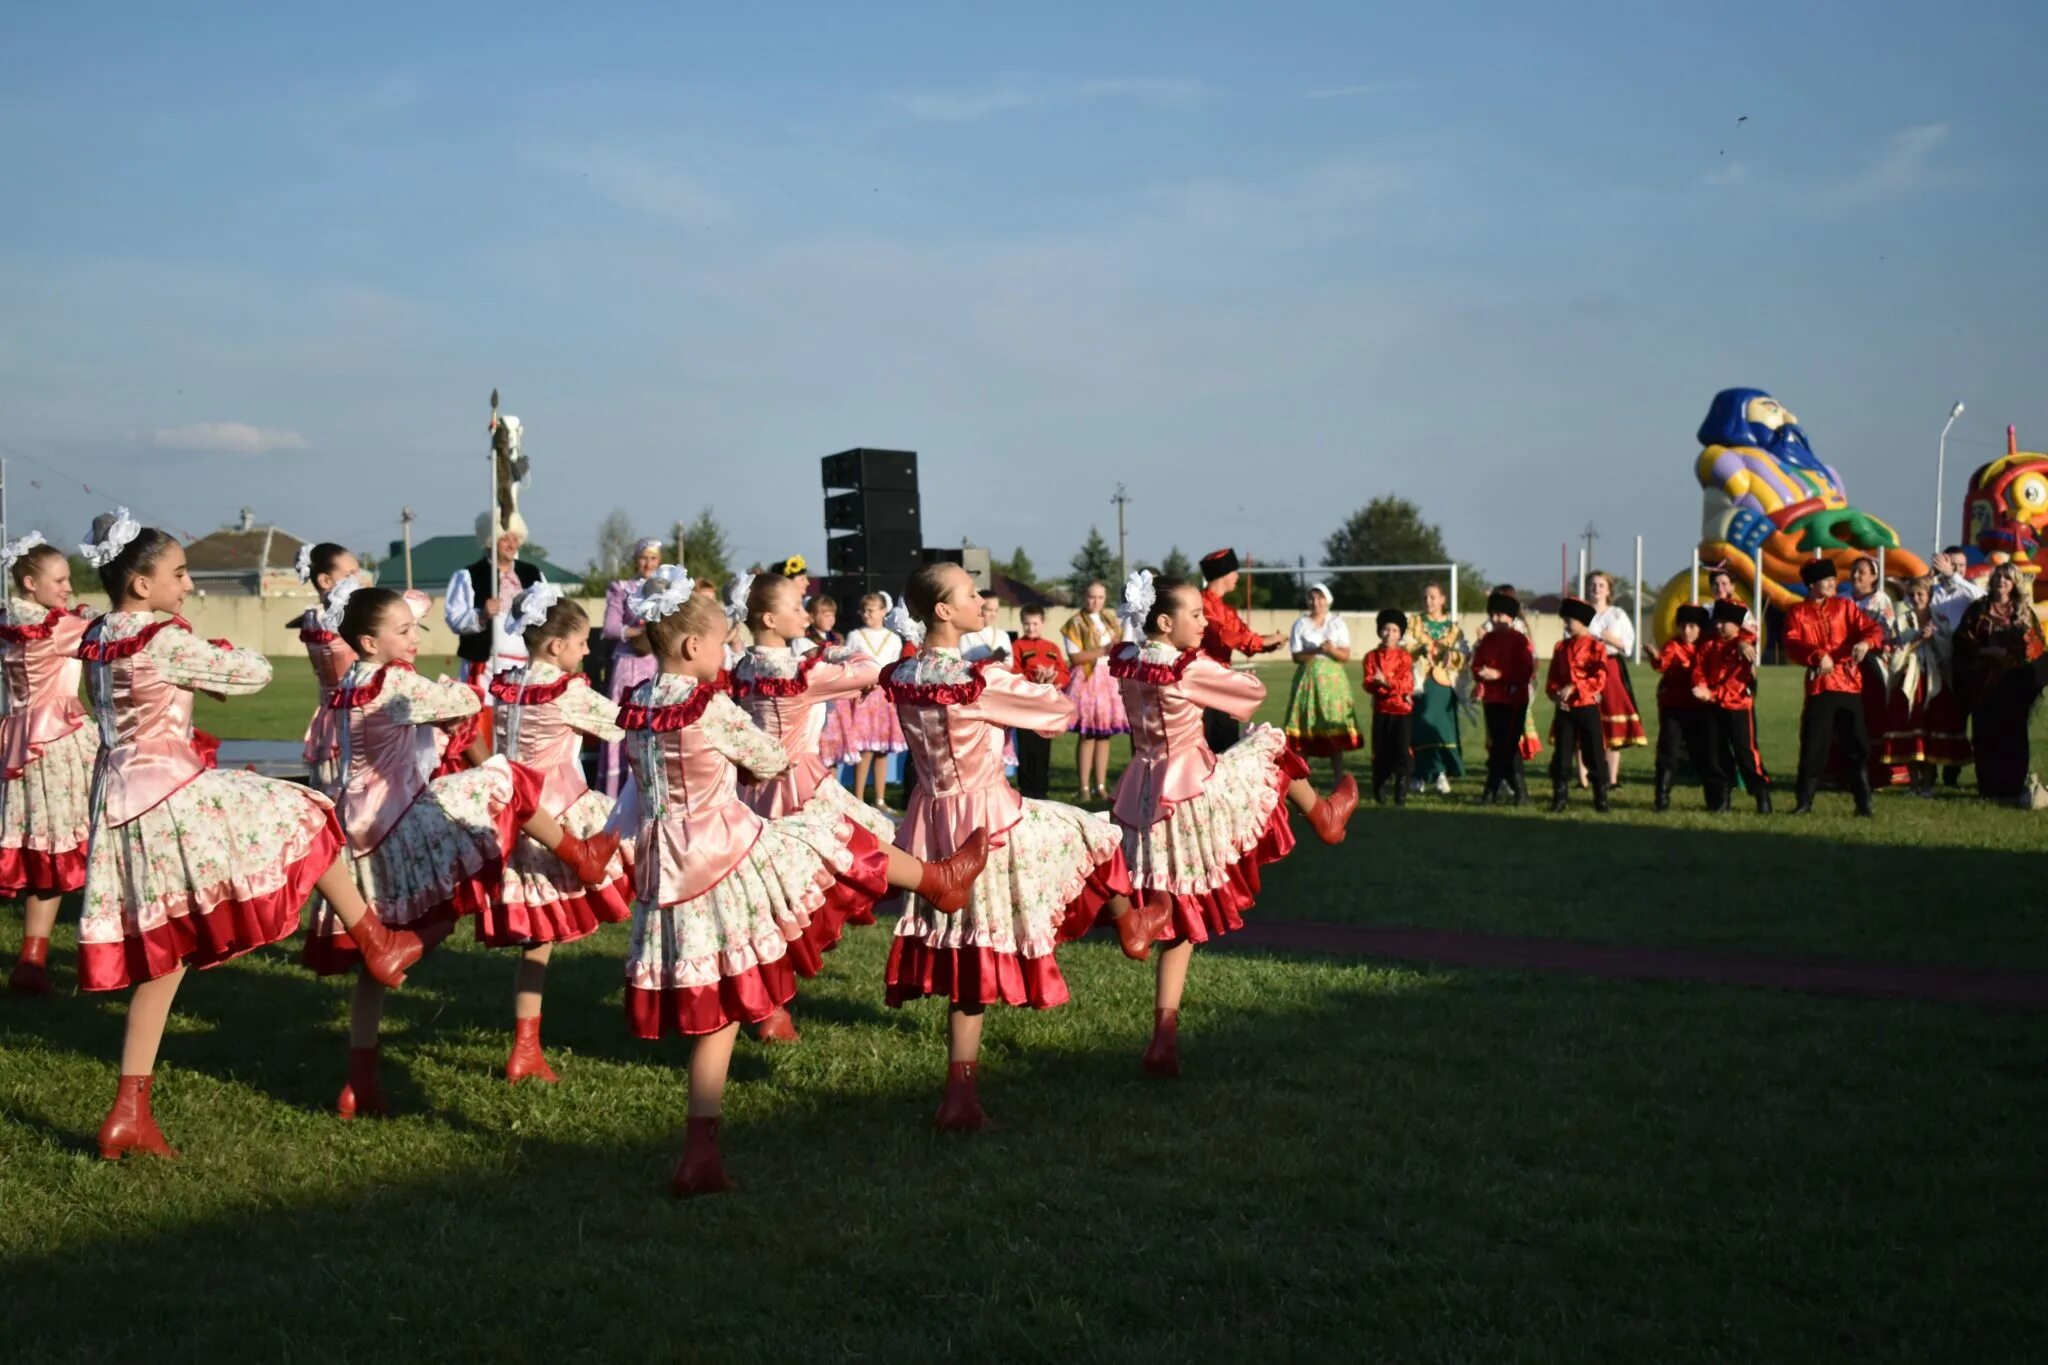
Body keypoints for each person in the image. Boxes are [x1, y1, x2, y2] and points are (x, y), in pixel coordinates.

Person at [613, 572, 990, 1194]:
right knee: (834, 835)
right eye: (717, 643)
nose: (724, 652)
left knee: (718, 1011)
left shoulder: (639, 705)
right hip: (724, 851)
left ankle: (699, 1150)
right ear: (690, 650)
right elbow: (767, 759)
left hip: (667, 868)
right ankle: (936, 879)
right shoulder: (707, 705)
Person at [72, 511, 425, 1160]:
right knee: (308, 814)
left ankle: (129, 1109)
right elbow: (252, 674)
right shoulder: (160, 637)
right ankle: (375, 939)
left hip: (121, 803)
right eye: (178, 574)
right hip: (170, 795)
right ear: (142, 584)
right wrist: (228, 655)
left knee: (166, 958)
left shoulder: (100, 632)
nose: (188, 585)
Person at [301, 583, 622, 1118]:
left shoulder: (346, 683)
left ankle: (359, 1082)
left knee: (370, 973)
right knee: (506, 783)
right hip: (398, 818)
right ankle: (578, 854)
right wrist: (453, 698)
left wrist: (411, 620)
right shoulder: (397, 684)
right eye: (402, 631)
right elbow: (466, 701)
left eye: (414, 628)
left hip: (351, 827)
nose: (414, 638)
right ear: (367, 640)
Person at [881, 563, 1166, 1132]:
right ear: (942, 610)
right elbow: (1057, 715)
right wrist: (1033, 687)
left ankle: (959, 1094)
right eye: (969, 595)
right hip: (988, 819)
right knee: (1096, 833)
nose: (981, 603)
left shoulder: (903, 673)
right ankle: (1130, 923)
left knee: (968, 951)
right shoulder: (976, 680)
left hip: (931, 819)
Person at [1109, 572, 1358, 1078]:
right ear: (1164, 621)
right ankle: (1324, 815)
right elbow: (1251, 691)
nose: (1204, 623)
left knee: (1177, 920)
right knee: (1271, 743)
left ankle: (1163, 1039)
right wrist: (1213, 659)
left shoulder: (1129, 661)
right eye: (1196, 616)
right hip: (1191, 786)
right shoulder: (1187, 665)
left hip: (1142, 793)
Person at [729, 570, 898, 1043]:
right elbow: (867, 668)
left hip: (751, 789)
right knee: (860, 852)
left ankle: (770, 1008)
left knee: (768, 902)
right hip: (797, 782)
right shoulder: (798, 672)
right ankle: (770, 1006)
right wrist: (836, 651)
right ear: (768, 617)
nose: (807, 615)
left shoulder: (747, 665)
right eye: (797, 608)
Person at [484, 585, 636, 1082]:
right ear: (555, 647)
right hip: (565, 814)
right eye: (581, 642)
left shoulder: (509, 683)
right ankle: (658, 991)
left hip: (519, 823)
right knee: (648, 863)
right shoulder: (565, 690)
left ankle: (525, 1045)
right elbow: (621, 725)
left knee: (537, 937)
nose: (588, 649)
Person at [0, 534, 96, 995]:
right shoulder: (54, 629)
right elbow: (109, 632)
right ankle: (104, 951)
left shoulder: (10, 623)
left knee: (48, 855)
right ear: (29, 582)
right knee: (71, 849)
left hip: (23, 745)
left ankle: (32, 961)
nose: (68, 588)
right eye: (59, 580)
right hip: (58, 744)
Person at [1783, 559, 1885, 816]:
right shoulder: (1798, 613)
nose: (1832, 584)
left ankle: (1864, 803)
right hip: (1820, 687)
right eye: (1826, 580)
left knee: (1857, 745)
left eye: (1832, 580)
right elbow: (1792, 644)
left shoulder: (1844, 607)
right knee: (1814, 746)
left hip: (1849, 685)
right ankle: (1804, 802)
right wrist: (1817, 655)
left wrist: (1866, 643)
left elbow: (1872, 628)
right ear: (1812, 585)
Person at [1952, 562, 2048, 803]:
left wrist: (2022, 654)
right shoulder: (1978, 609)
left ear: (2015, 583)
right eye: (1998, 577)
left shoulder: (2024, 611)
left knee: (2014, 733)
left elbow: (2037, 646)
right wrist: (1988, 651)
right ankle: (1989, 785)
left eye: (2007, 578)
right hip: (1984, 683)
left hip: (2015, 684)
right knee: (1985, 733)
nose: (2001, 582)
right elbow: (1962, 640)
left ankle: (2013, 784)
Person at [1881, 576, 1970, 795]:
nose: (1916, 598)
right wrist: (1916, 640)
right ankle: (1913, 783)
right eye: (1912, 594)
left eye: (1921, 594)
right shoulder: (1902, 620)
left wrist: (1934, 638)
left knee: (1931, 730)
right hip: (1908, 679)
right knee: (1909, 729)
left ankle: (1928, 783)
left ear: (1929, 596)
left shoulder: (1940, 619)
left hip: (1934, 681)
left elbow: (1949, 651)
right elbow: (1896, 651)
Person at [821, 592, 906, 812]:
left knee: (882, 750)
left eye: (872, 609)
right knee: (865, 749)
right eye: (864, 610)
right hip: (862, 695)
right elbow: (848, 664)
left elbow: (895, 666)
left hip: (884, 696)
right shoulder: (855, 635)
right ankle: (858, 798)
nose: (868, 614)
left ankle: (879, 798)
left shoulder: (893, 638)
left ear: (883, 611)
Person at [1197, 549, 1284, 754]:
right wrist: (1262, 641)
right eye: (1234, 572)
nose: (1237, 576)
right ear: (1223, 574)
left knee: (1227, 743)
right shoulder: (1202, 604)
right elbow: (1223, 634)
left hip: (1223, 682)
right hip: (1204, 681)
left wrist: (1269, 642)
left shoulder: (1226, 609)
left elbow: (1244, 635)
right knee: (1208, 744)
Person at [291, 542, 361, 796]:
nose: (357, 580)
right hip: (353, 713)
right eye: (349, 574)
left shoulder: (312, 617)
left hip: (328, 710)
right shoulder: (337, 620)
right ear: (325, 580)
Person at [1691, 599, 1774, 813]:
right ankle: (1721, 799)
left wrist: (1711, 694)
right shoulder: (1709, 645)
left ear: (1737, 624)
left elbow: (1737, 682)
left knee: (1746, 752)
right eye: (1717, 621)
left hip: (1738, 707)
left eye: (1724, 622)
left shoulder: (1742, 646)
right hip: (1711, 706)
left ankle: (1761, 794)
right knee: (1716, 753)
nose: (1719, 626)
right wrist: (1700, 685)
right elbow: (1698, 669)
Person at [600, 538, 666, 796]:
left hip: (656, 662)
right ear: (636, 560)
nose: (648, 563)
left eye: (653, 558)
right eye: (644, 558)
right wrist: (640, 630)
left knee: (653, 721)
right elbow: (610, 628)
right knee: (625, 721)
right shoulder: (623, 588)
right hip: (629, 663)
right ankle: (617, 791)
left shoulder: (666, 590)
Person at [445, 511, 542, 685]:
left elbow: (550, 611)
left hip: (525, 667)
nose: (512, 545)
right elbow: (454, 619)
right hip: (485, 666)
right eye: (505, 539)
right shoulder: (468, 576)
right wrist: (482, 615)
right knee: (485, 712)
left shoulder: (533, 574)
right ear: (490, 541)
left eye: (515, 539)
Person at [1281, 582, 1360, 776]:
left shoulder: (1337, 623)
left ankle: (1338, 777)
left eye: (1320, 598)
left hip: (1332, 683)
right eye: (1312, 598)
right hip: (1307, 680)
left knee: (1332, 724)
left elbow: (1345, 655)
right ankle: (1300, 777)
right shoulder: (1300, 623)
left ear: (1327, 600)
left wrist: (1332, 650)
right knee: (1305, 725)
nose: (1316, 602)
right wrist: (1316, 650)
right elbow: (1296, 656)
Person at [1061, 580, 1127, 800]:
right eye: (1091, 596)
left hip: (1108, 679)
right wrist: (1103, 650)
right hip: (1087, 680)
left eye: (1100, 597)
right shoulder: (1075, 623)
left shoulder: (1111, 621)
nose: (1095, 601)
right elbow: (1075, 657)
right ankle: (1084, 787)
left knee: (1105, 736)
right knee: (1088, 735)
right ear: (1084, 597)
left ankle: (1100, 785)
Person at [1470, 590, 1534, 805]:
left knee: (1507, 745)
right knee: (1502, 745)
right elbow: (1476, 663)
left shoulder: (1520, 640)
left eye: (1500, 615)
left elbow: (1525, 671)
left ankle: (1491, 791)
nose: (1495, 620)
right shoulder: (1487, 640)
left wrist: (1500, 674)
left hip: (1514, 700)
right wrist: (1480, 672)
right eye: (1492, 615)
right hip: (1493, 699)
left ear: (1511, 617)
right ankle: (1520, 792)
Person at [1547, 598, 1611, 813]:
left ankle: (1600, 797)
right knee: (1562, 754)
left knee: (1594, 752)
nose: (1566, 624)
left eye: (1569, 620)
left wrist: (1575, 687)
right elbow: (1553, 678)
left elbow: (1599, 679)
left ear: (1583, 622)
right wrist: (1556, 695)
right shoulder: (1561, 647)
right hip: (1565, 710)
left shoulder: (1596, 647)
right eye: (1565, 620)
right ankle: (1560, 796)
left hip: (1587, 707)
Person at [1648, 604, 1711, 812]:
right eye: (1683, 626)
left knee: (1702, 751)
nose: (1686, 631)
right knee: (1668, 749)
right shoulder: (1673, 645)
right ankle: (1662, 797)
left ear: (1701, 628)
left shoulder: (1708, 646)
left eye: (1692, 626)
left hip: (1699, 706)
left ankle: (1714, 798)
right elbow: (1663, 663)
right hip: (1673, 705)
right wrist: (1654, 657)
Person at [1847, 556, 1902, 788]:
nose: (1856, 575)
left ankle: (1877, 772)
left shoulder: (1880, 601)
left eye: (1862, 571)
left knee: (1873, 717)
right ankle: (1845, 770)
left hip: (1873, 665)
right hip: (1847, 667)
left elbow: (1888, 634)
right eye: (1853, 571)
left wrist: (1867, 643)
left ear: (1874, 576)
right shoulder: (1844, 600)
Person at [1407, 581, 1466, 793]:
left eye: (1432, 597)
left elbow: (1463, 652)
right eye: (1425, 597)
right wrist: (1418, 650)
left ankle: (1440, 772)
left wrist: (1454, 656)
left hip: (1443, 683)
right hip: (1420, 682)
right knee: (1421, 726)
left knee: (1442, 728)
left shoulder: (1453, 628)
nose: (1428, 601)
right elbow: (1407, 645)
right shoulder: (1415, 622)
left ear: (1443, 600)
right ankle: (1419, 774)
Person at [1586, 572, 1645, 785]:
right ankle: (1584, 779)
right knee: (1585, 717)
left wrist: (1609, 638)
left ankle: (1611, 778)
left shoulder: (1617, 614)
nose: (1597, 589)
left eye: (1601, 585)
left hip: (1610, 667)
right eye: (1593, 585)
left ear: (1609, 590)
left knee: (1611, 721)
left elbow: (1628, 645)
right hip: (1584, 668)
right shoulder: (1581, 612)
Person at [1009, 604, 1069, 800]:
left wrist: (1053, 678)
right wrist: (1033, 677)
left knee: (1043, 746)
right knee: (1026, 746)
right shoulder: (1017, 646)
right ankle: (1026, 790)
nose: (1031, 628)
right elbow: (1014, 672)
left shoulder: (1052, 647)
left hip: (1045, 707)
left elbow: (1064, 672)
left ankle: (1041, 790)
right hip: (1026, 706)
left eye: (1035, 624)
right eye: (1027, 624)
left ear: (1042, 623)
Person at [1359, 609, 1416, 805]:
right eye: (1385, 629)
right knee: (1381, 750)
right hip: (1382, 710)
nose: (1389, 634)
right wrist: (1383, 685)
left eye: (1394, 630)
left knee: (1401, 749)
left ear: (1400, 634)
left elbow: (1407, 685)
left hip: (1401, 711)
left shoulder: (1404, 658)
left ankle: (1401, 789)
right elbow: (1368, 683)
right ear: (1379, 631)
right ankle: (1379, 786)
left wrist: (1386, 682)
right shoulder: (1371, 657)